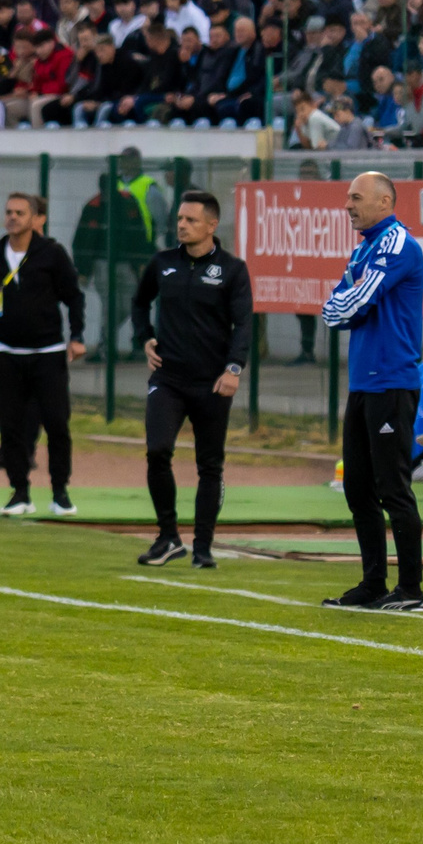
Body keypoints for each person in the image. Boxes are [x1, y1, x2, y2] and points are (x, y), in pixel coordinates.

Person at [322, 171, 423, 611]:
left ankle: (411, 589)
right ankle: (372, 583)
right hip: (364, 383)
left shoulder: (399, 244)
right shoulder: (365, 246)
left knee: (393, 486)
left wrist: (346, 303)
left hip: (392, 383)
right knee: (358, 487)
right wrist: (345, 303)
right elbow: (334, 308)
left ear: (385, 201)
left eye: (356, 198)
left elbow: (352, 302)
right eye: (348, 197)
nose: (348, 205)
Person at [131, 189, 253, 569]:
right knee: (157, 450)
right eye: (180, 220)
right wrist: (145, 337)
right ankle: (168, 537)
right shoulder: (163, 262)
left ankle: (203, 547)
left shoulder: (232, 269)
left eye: (191, 220)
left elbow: (244, 323)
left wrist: (234, 368)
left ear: (212, 225)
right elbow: (139, 302)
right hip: (168, 379)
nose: (182, 226)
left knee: (209, 465)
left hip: (212, 383)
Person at [0, 192, 87, 517]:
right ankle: (20, 492)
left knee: (57, 423)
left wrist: (76, 336)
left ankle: (60, 492)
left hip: (48, 353)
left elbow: (73, 296)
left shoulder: (52, 254)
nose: (13, 217)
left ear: (35, 218)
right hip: (4, 354)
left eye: (20, 212)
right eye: (8, 212)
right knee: (10, 426)